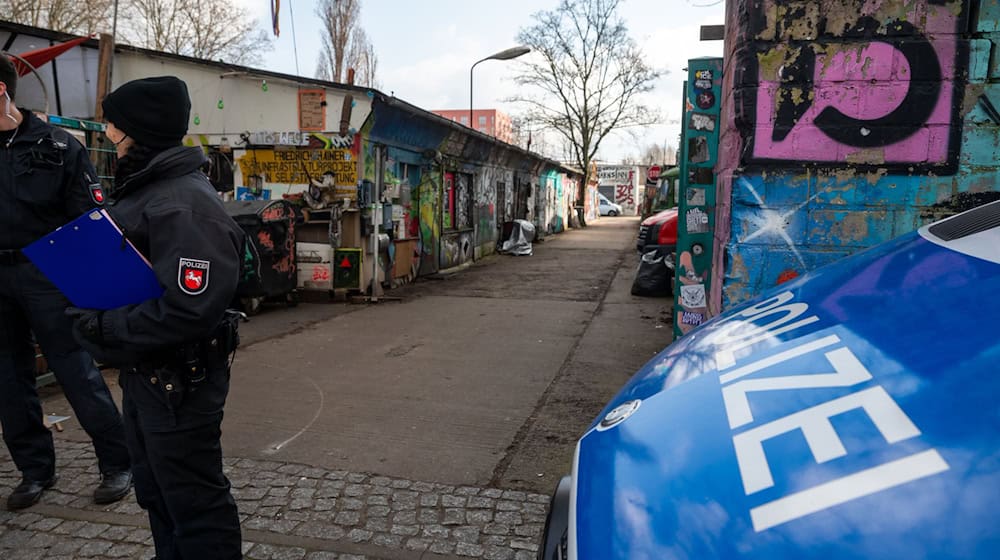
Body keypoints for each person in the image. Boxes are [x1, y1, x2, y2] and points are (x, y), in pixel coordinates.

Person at [66, 75, 245, 559]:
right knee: (159, 495)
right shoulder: (152, 189)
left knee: (195, 506)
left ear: (138, 131)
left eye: (114, 127)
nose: (108, 135)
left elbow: (189, 307)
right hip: (151, 377)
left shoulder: (182, 205)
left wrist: (105, 327)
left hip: (179, 382)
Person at [0, 56, 132, 510]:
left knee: (75, 369)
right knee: (8, 380)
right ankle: (35, 471)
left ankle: (118, 462)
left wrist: (105, 293)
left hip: (47, 271)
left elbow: (89, 218)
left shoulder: (56, 146)